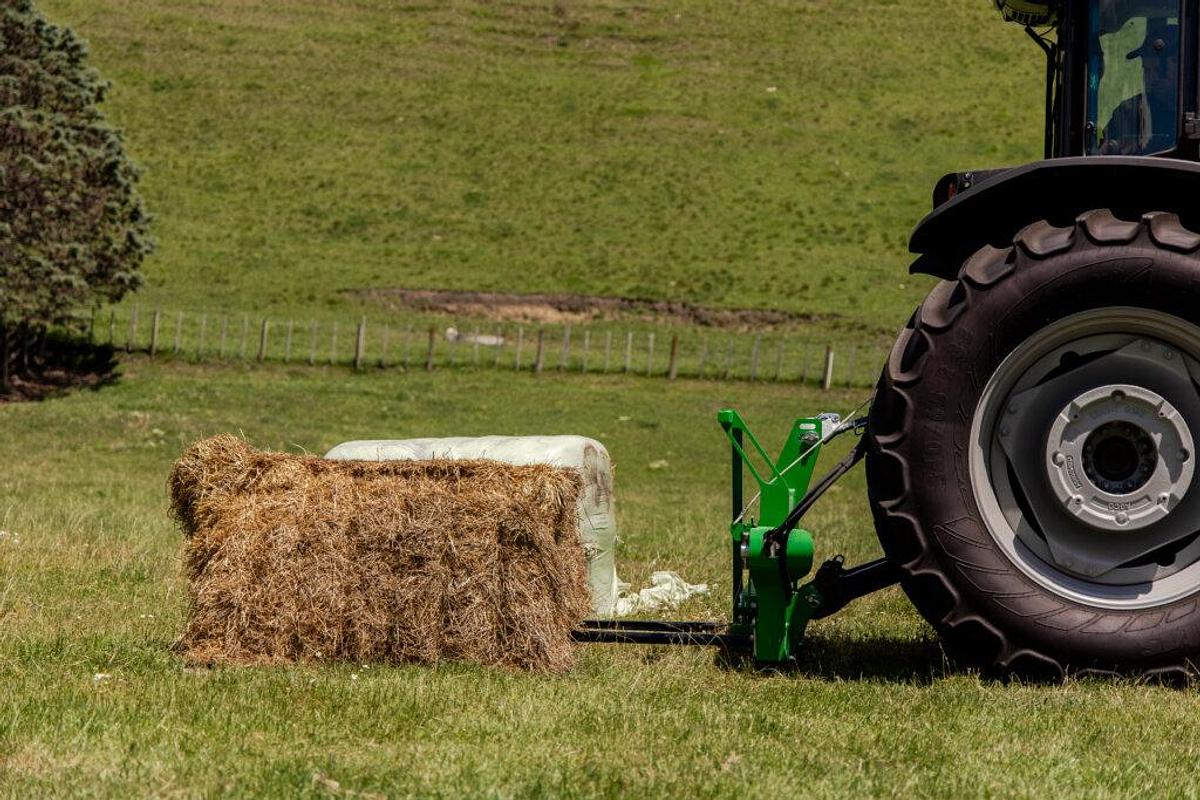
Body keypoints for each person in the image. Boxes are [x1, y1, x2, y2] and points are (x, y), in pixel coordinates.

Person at [1099, 18, 1179, 154]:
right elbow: (1104, 154)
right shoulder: (1128, 112)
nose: (1150, 79)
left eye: (1158, 70)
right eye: (1146, 70)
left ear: (1179, 67)